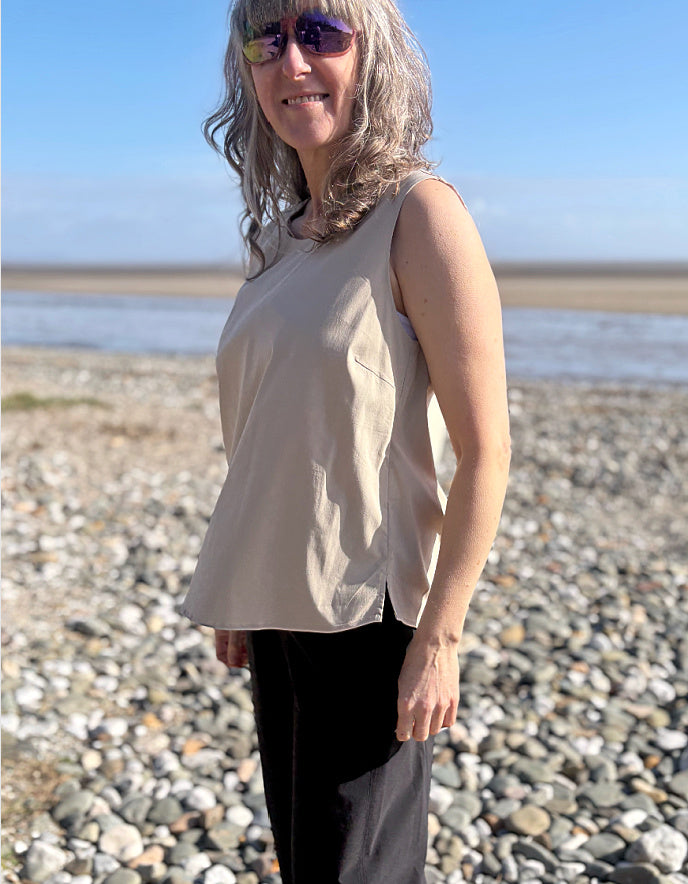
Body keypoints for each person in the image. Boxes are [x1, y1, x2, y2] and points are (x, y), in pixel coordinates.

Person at [181, 1, 511, 881]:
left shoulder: (420, 214)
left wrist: (438, 641)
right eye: (268, 39)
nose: (292, 62)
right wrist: (244, 581)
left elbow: (486, 451)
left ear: (375, 56)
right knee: (308, 863)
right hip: (280, 606)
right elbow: (271, 428)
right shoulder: (280, 240)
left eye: (322, 33)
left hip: (372, 619)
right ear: (246, 71)